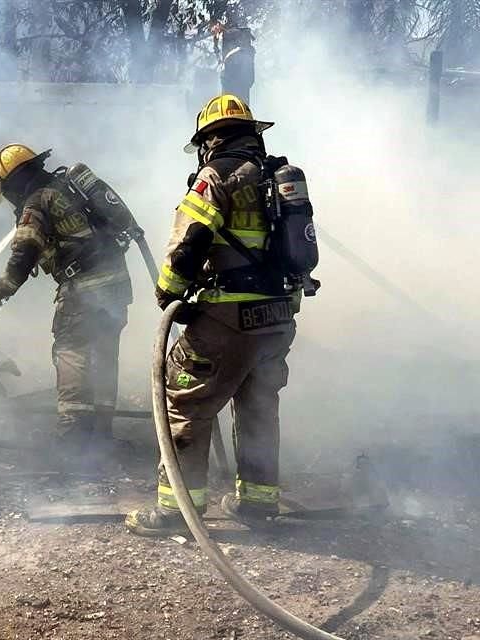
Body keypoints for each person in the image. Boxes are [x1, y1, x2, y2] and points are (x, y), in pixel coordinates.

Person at [125, 95, 317, 536]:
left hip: (227, 317)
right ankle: (257, 504)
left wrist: (169, 295)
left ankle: (178, 510)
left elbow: (190, 241)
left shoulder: (215, 177)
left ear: (210, 138)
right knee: (258, 406)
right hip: (277, 317)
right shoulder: (279, 179)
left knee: (187, 402)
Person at [0, 144, 135, 464]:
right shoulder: (68, 187)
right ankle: (102, 435)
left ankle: (72, 437)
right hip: (116, 287)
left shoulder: (37, 201)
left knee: (71, 353)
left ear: (11, 182)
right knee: (105, 357)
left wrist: (5, 286)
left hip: (82, 291)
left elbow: (25, 249)